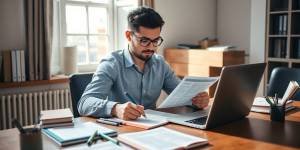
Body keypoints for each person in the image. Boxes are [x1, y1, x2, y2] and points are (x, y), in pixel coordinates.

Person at [77, 7, 209, 120]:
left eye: (156, 40)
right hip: (121, 131)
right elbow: (84, 103)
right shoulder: (111, 63)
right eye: (144, 41)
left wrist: (197, 100)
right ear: (129, 36)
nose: (151, 47)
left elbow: (182, 95)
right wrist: (115, 109)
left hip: (155, 128)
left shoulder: (160, 64)